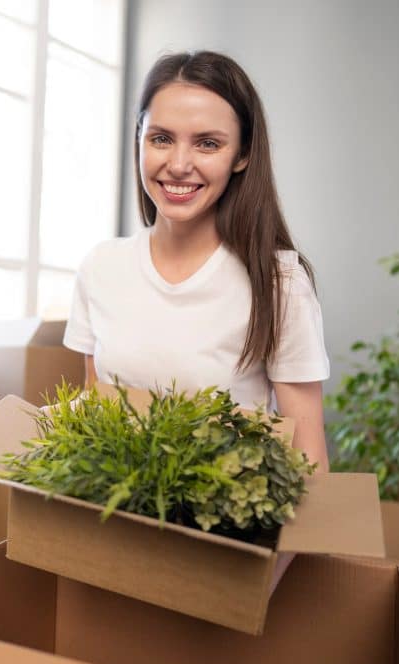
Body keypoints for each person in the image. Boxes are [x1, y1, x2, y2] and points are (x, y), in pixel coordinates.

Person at [62, 50, 330, 592]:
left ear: (241, 156)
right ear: (138, 140)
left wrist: (260, 584)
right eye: (161, 138)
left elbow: (309, 456)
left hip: (223, 556)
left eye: (207, 143)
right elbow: (93, 415)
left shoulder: (277, 281)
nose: (179, 164)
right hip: (109, 544)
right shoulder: (102, 268)